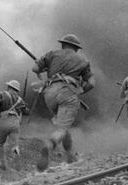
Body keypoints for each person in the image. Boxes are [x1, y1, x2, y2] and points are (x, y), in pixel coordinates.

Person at [32, 34, 95, 171]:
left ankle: (70, 155)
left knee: (63, 125)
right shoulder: (83, 60)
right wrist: (79, 92)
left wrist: (44, 73)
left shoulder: (52, 54)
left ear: (62, 45)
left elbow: (35, 69)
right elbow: (91, 83)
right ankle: (50, 144)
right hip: (68, 93)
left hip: (49, 94)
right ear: (76, 48)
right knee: (61, 129)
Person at [0, 80, 29, 170]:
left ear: (9, 87)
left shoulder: (2, 94)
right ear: (17, 90)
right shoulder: (20, 100)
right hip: (15, 124)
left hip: (4, 121)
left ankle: (2, 164)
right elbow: (26, 112)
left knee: (0, 144)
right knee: (14, 144)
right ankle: (16, 159)